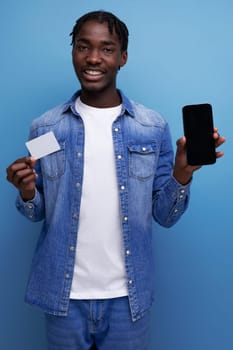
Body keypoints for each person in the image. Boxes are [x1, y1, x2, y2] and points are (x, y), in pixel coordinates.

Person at [6, 10, 225, 350]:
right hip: (64, 296)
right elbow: (39, 212)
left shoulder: (151, 127)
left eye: (106, 48)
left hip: (127, 297)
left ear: (122, 57)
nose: (93, 58)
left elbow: (164, 216)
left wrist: (182, 173)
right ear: (74, 52)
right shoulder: (46, 127)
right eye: (83, 46)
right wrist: (27, 191)